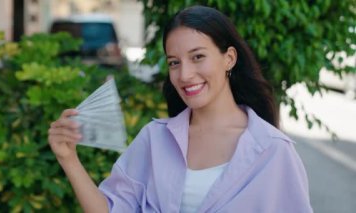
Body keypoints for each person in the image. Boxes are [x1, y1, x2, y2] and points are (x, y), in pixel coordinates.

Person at [48, 5, 313, 213]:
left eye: (198, 57)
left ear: (229, 58)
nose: (185, 74)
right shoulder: (155, 139)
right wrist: (68, 158)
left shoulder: (273, 150)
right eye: (174, 62)